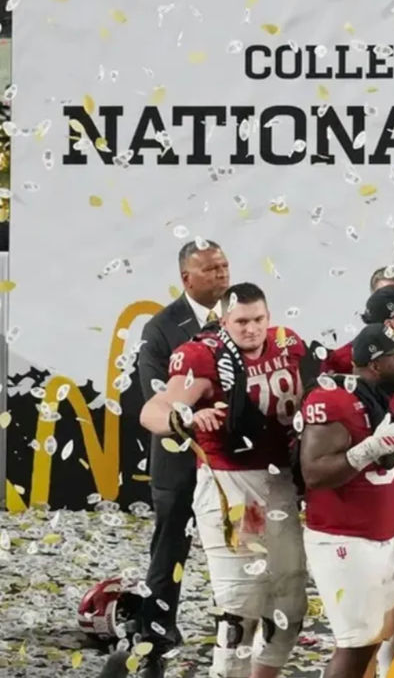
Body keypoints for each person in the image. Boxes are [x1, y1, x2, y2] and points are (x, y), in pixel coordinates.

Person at [138, 282, 309, 678]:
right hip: (230, 487)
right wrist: (185, 417)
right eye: (241, 321)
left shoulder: (288, 343)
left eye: (259, 320)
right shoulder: (203, 355)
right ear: (223, 320)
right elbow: (153, 411)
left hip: (280, 482)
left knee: (289, 606)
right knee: (239, 613)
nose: (251, 329)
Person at [114, 239, 229, 678]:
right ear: (187, 278)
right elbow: (156, 399)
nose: (222, 274)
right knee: (169, 551)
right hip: (179, 462)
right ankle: (157, 632)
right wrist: (196, 416)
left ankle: (235, 628)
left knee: (236, 553)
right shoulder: (161, 329)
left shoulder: (239, 319)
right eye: (212, 269)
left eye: (224, 266)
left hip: (229, 464)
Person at [299, 324, 394, 678]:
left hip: (382, 537)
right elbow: (314, 472)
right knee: (355, 646)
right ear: (376, 365)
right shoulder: (332, 399)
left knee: (376, 637)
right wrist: (367, 450)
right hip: (345, 541)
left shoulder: (387, 397)